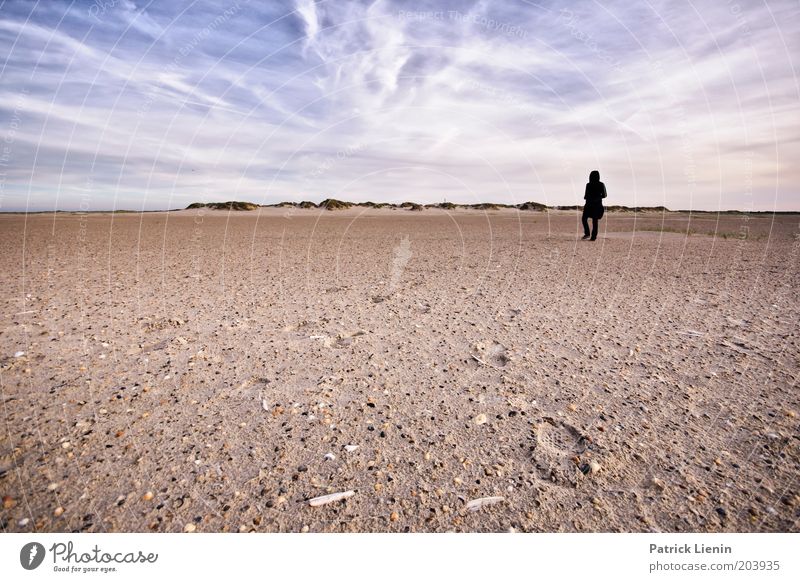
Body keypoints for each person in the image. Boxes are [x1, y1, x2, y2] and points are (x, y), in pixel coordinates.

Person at [582, 170, 607, 241]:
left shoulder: (588, 184)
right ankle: (593, 237)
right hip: (597, 205)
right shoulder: (601, 184)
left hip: (589, 205)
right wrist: (598, 197)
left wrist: (590, 197)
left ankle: (587, 233)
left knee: (584, 219)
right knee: (595, 221)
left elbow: (585, 196)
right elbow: (605, 195)